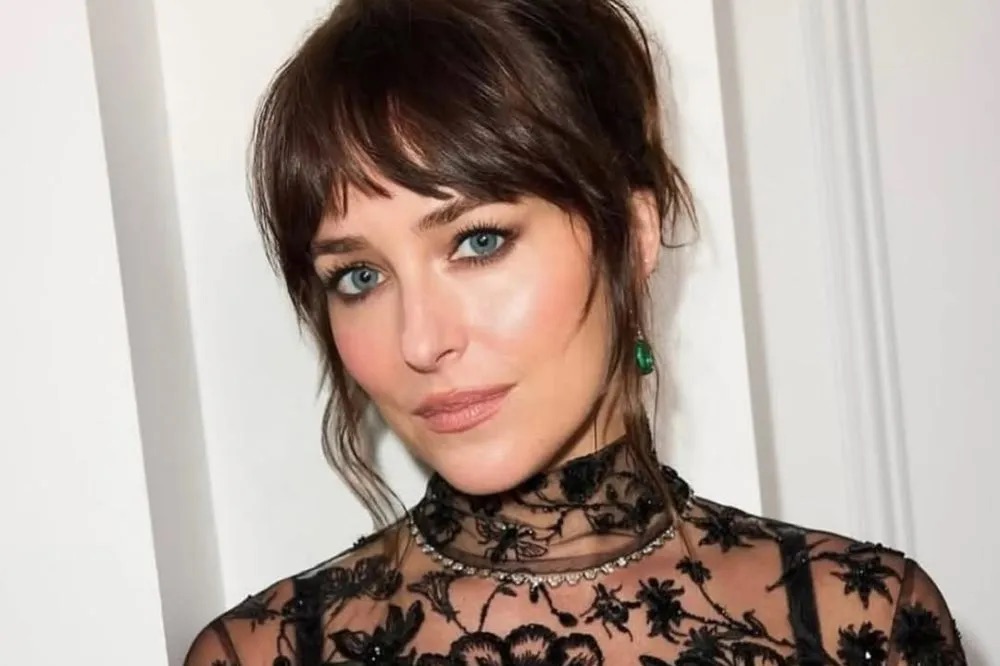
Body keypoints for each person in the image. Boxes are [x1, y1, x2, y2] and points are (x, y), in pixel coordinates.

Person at [185, 0, 966, 664]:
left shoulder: (859, 623)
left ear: (633, 235)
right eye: (359, 276)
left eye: (478, 241)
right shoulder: (260, 653)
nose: (420, 342)